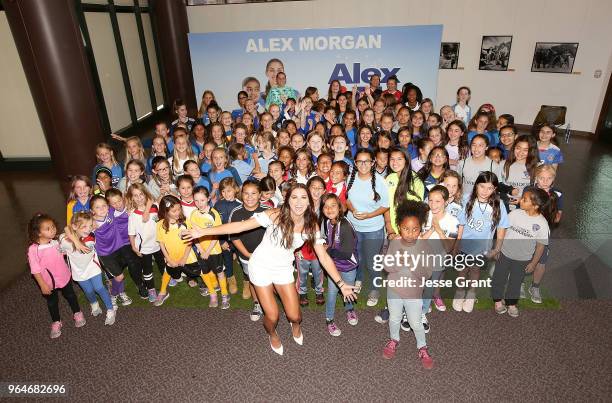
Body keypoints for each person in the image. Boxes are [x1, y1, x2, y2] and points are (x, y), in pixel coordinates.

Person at [183, 183, 357, 356]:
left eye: (303, 197)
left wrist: (341, 284)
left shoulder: (312, 225)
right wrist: (204, 232)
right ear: (287, 200)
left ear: (309, 202)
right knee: (272, 316)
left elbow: (324, 257)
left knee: (296, 316)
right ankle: (272, 334)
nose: (298, 202)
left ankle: (295, 327)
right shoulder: (274, 214)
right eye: (294, 197)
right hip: (260, 267)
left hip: (283, 269)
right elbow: (239, 226)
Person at [381, 200, 434, 369]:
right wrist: (398, 261)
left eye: (415, 229)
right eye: (406, 228)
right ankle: (394, 339)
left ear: (421, 229)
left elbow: (427, 273)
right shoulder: (395, 243)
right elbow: (387, 266)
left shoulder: (424, 246)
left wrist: (413, 265)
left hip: (413, 293)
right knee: (395, 318)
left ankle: (422, 347)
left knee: (416, 322)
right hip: (394, 290)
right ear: (399, 226)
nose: (410, 233)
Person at [453, 172, 508, 313]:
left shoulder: (499, 204)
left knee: (475, 271)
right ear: (476, 185)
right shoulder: (466, 199)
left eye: (490, 188)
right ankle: (459, 292)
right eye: (482, 186)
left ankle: (471, 294)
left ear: (495, 189)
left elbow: (502, 228)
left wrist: (497, 248)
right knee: (462, 270)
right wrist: (457, 243)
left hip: (482, 248)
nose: (485, 191)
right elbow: (460, 224)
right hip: (464, 245)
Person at [491, 188, 550, 317]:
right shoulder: (514, 214)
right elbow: (502, 231)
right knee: (499, 278)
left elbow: (540, 246)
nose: (520, 200)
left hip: (522, 259)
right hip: (505, 254)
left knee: (516, 282)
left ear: (535, 205)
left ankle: (511, 303)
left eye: (524, 200)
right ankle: (497, 301)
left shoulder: (542, 224)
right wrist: (497, 249)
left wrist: (534, 263)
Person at [27, 213, 85, 339]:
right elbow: (35, 270)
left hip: (64, 276)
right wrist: (42, 285)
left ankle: (77, 312)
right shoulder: (33, 250)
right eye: (48, 228)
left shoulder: (56, 242)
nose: (53, 230)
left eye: (53, 227)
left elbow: (64, 251)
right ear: (38, 233)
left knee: (70, 295)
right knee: (52, 302)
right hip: (48, 282)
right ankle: (56, 321)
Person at [154, 195, 216, 306]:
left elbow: (189, 242)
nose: (178, 212)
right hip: (171, 256)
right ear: (165, 211)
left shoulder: (185, 221)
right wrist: (168, 259)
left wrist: (184, 258)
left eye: (179, 209)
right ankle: (163, 292)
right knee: (167, 272)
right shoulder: (160, 225)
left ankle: (213, 294)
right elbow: (161, 244)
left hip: (188, 256)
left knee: (201, 272)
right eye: (174, 211)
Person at [346, 149, 390, 305]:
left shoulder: (380, 181)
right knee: (357, 257)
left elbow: (386, 205)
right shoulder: (350, 178)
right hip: (353, 227)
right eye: (359, 161)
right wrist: (352, 210)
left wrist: (369, 215)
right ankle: (359, 279)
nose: (363, 165)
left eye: (367, 161)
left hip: (373, 229)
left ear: (373, 163)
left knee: (372, 261)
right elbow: (347, 200)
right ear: (355, 163)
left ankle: (375, 288)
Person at [61, 212, 116, 325]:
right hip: (78, 271)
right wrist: (75, 241)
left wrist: (77, 242)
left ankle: (110, 309)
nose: (89, 229)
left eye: (90, 226)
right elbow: (66, 228)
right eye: (84, 226)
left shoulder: (91, 236)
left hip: (92, 267)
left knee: (99, 288)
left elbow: (70, 230)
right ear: (75, 226)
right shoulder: (64, 240)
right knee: (88, 291)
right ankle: (94, 304)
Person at [321, 193, 359, 337]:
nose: (329, 209)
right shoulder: (327, 222)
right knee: (331, 292)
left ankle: (349, 310)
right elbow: (328, 240)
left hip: (348, 265)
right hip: (333, 265)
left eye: (333, 205)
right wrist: (326, 245)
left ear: (340, 207)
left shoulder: (344, 225)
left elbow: (346, 253)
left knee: (348, 290)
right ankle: (329, 319)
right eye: (325, 206)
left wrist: (327, 250)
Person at [228, 180, 267, 317]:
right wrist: (248, 254)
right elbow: (234, 238)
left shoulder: (267, 211)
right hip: (246, 256)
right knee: (253, 279)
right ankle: (257, 303)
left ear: (260, 194)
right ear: (241, 194)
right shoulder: (236, 213)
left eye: (254, 193)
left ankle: (268, 301)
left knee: (268, 279)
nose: (250, 197)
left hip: (266, 255)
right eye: (246, 193)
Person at [190, 186, 230, 309]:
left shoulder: (214, 214)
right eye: (196, 200)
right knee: (205, 272)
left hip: (214, 250)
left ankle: (224, 294)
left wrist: (207, 251)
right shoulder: (193, 214)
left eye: (202, 200)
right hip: (201, 251)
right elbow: (193, 233)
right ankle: (213, 294)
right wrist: (201, 249)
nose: (199, 203)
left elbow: (216, 234)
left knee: (219, 272)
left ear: (208, 198)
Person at [528, 164, 563, 303]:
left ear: (553, 179)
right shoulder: (529, 190)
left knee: (541, 261)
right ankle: (519, 283)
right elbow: (522, 208)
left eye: (549, 178)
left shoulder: (557, 194)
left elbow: (559, 213)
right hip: (527, 232)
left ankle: (535, 286)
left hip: (543, 234)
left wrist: (556, 216)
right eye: (541, 178)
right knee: (522, 258)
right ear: (536, 178)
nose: (545, 181)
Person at [126, 183, 165, 303]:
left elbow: (161, 219)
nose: (139, 198)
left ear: (145, 194)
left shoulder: (154, 207)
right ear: (131, 198)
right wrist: (133, 247)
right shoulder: (132, 216)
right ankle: (151, 289)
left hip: (158, 244)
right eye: (135, 196)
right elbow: (131, 233)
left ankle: (167, 278)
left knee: (162, 263)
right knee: (147, 270)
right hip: (144, 248)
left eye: (141, 194)